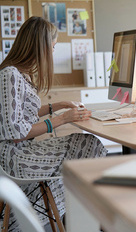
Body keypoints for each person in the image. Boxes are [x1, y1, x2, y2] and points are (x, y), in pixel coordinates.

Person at [0, 16, 107, 231]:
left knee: (88, 144)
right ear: (40, 47)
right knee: (90, 146)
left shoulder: (19, 73)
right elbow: (16, 132)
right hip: (16, 157)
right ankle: (86, 218)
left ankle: (80, 216)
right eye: (53, 46)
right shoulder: (10, 74)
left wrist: (58, 105)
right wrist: (62, 119)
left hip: (20, 151)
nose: (53, 52)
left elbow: (21, 115)